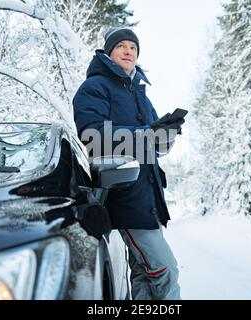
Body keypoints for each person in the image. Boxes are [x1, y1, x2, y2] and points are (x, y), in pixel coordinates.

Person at [73, 27, 184, 300]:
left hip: (149, 196)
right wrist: (146, 135)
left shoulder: (140, 93)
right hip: (124, 195)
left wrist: (165, 137)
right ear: (109, 52)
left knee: (143, 272)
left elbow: (153, 146)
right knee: (165, 268)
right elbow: (93, 135)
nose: (128, 51)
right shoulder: (94, 88)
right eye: (121, 45)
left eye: (133, 47)